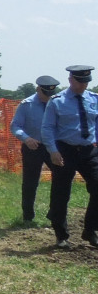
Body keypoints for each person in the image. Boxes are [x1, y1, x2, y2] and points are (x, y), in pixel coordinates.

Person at [41, 65, 98, 249]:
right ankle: (61, 235)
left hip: (88, 150)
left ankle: (90, 229)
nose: (83, 85)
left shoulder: (94, 99)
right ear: (71, 80)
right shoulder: (57, 101)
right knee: (61, 192)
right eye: (80, 82)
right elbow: (47, 128)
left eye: (86, 82)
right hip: (65, 150)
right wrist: (53, 150)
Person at [10, 75, 58, 223]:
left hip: (53, 147)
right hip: (33, 146)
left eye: (50, 94)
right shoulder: (27, 105)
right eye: (45, 93)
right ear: (38, 89)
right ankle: (28, 216)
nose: (47, 97)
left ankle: (55, 213)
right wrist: (26, 138)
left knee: (61, 178)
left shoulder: (58, 102)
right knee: (30, 182)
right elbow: (15, 125)